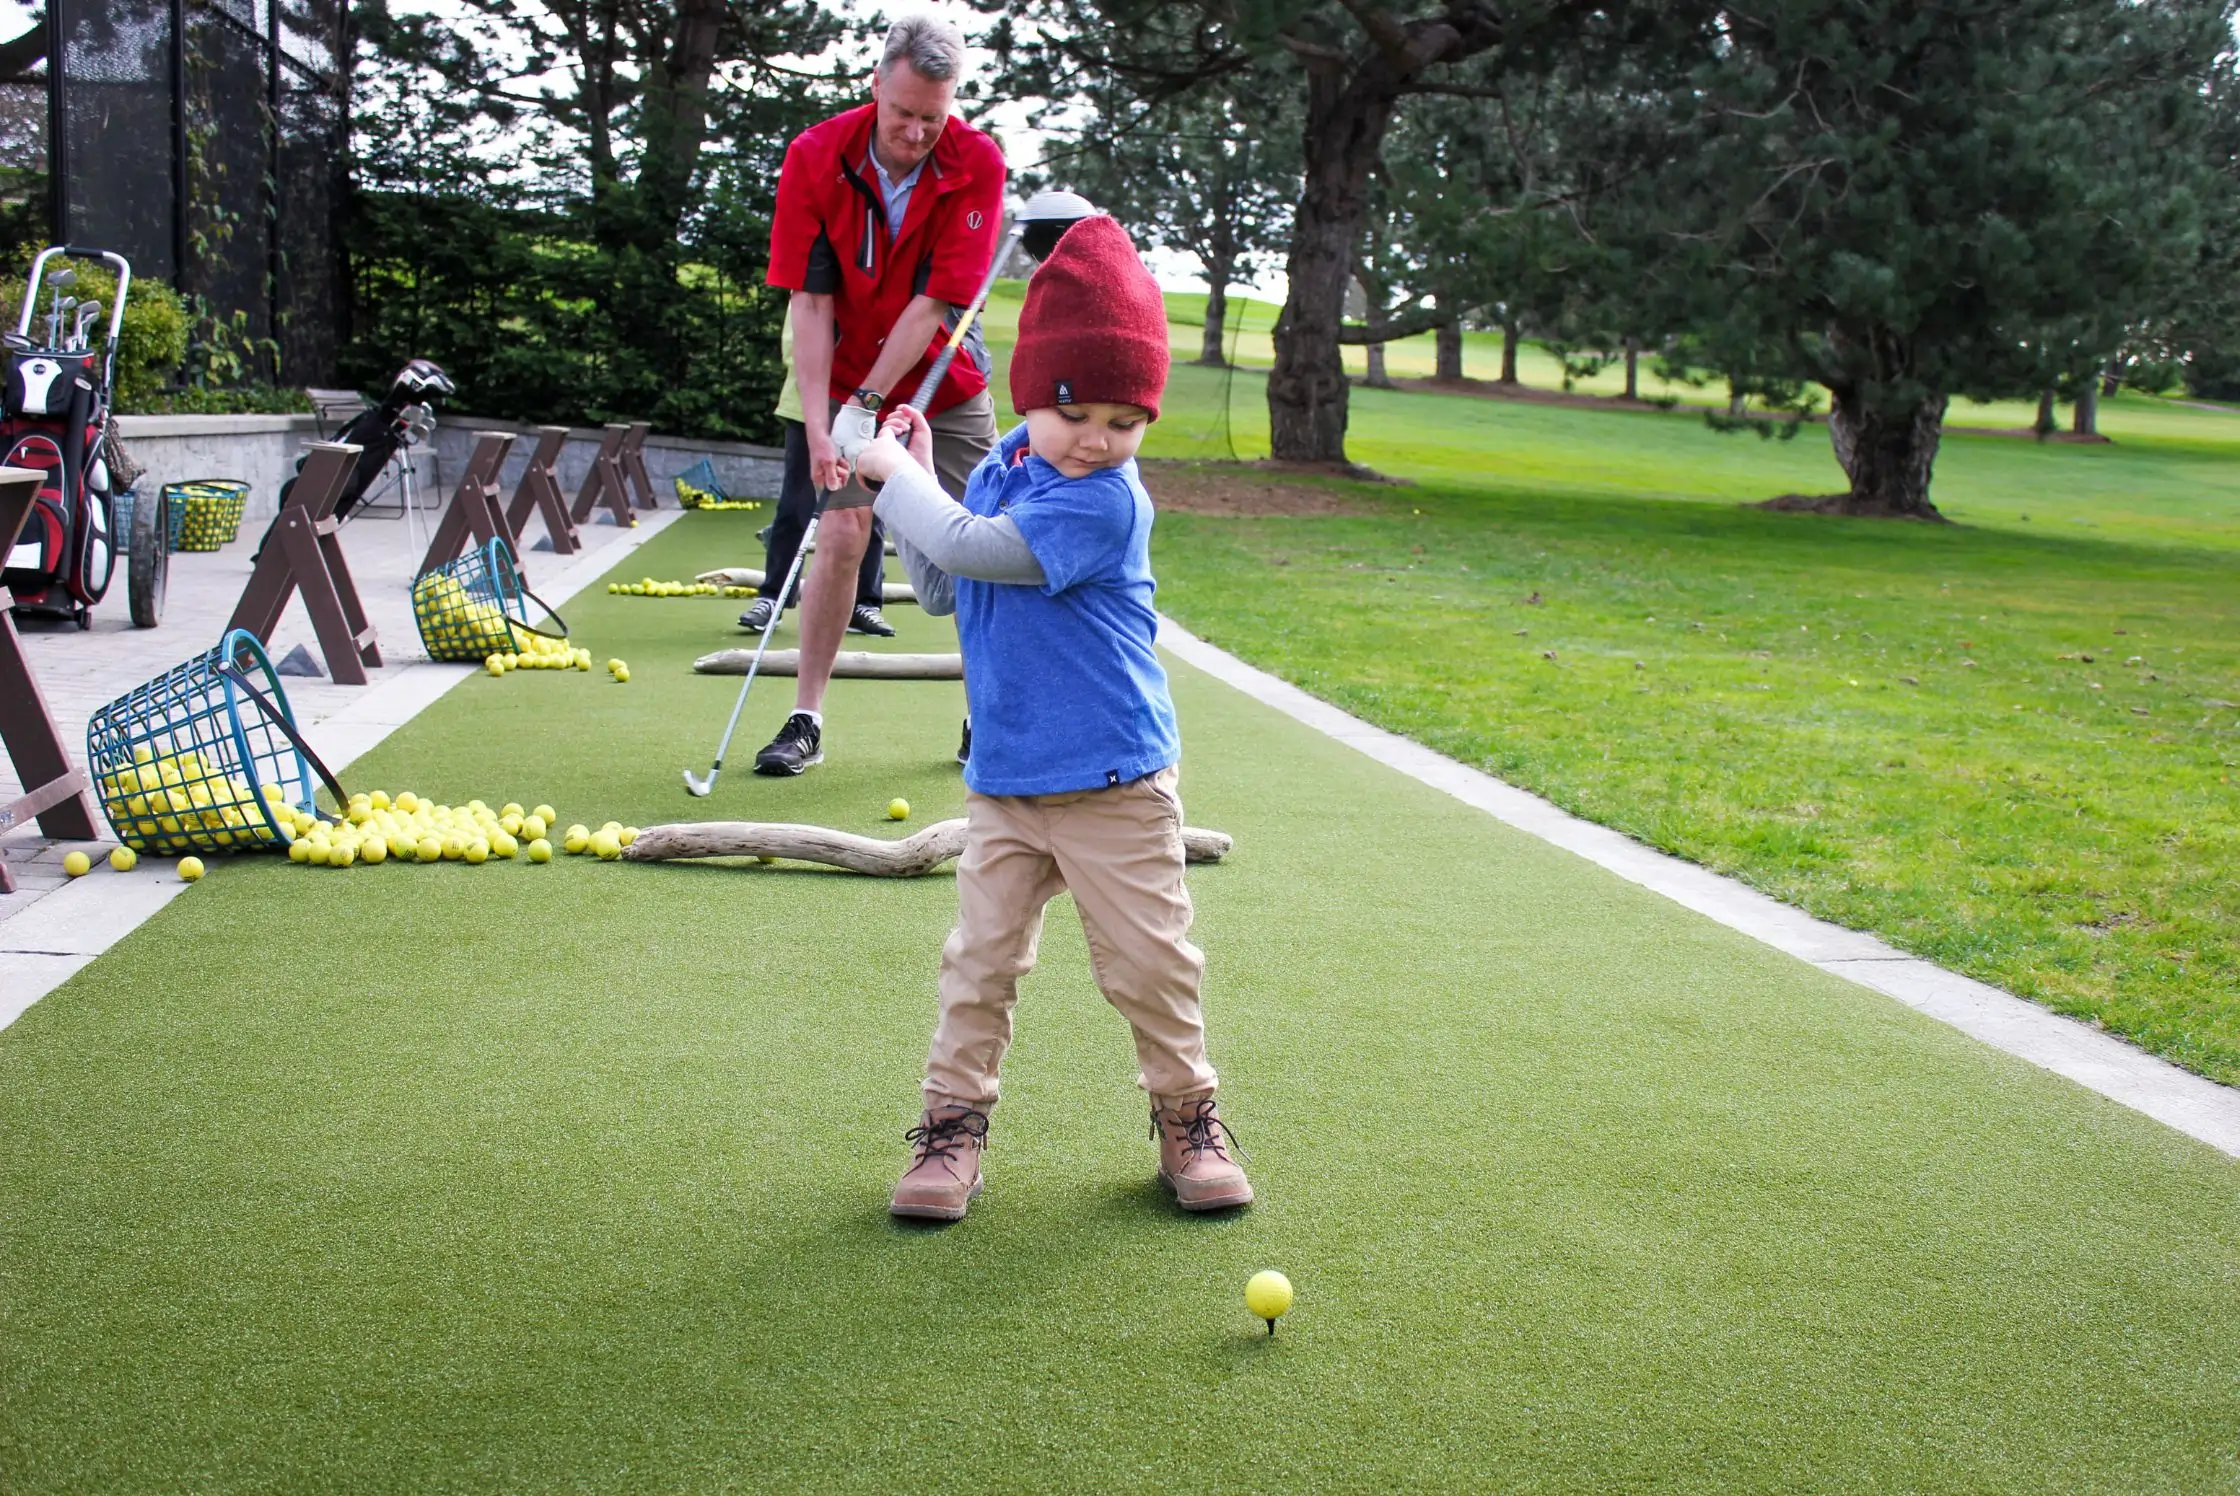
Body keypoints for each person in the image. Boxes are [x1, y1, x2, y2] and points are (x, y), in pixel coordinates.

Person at [851, 215, 1251, 1222]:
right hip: (1008, 779)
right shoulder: (1002, 472)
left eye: (1126, 419)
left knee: (1151, 967)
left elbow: (976, 550)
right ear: (1031, 391)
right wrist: (911, 486)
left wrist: (894, 479)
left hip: (1113, 781)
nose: (1098, 438)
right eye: (1075, 410)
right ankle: (950, 1131)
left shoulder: (1104, 501)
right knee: (976, 966)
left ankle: (1185, 1116)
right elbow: (943, 583)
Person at [754, 12, 1004, 775]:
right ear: (876, 87)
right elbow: (811, 301)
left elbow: (934, 306)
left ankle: (987, 716)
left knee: (983, 545)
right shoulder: (816, 155)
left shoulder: (977, 162)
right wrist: (830, 426)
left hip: (944, 383)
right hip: (841, 374)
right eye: (903, 113)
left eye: (934, 116)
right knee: (839, 536)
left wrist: (869, 402)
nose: (917, 131)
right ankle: (806, 720)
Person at [741, 317, 895, 638]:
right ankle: (773, 596)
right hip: (808, 407)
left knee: (868, 505)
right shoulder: (815, 279)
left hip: (865, 406)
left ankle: (865, 603)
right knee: (795, 504)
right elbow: (798, 343)